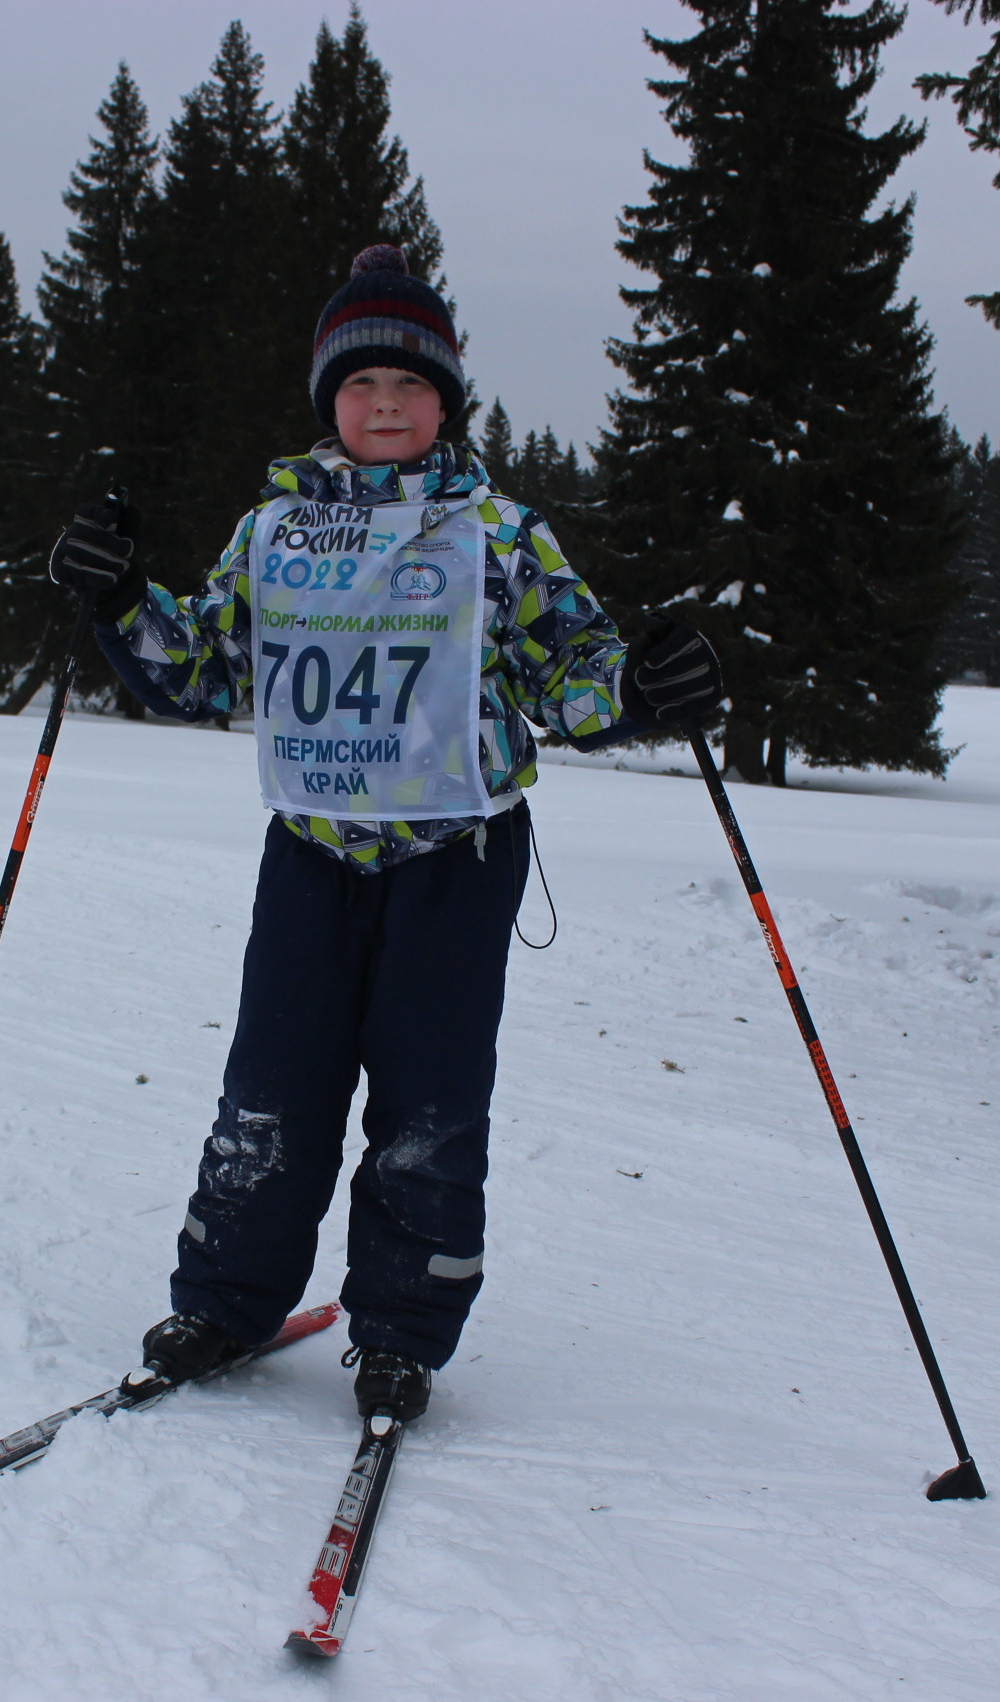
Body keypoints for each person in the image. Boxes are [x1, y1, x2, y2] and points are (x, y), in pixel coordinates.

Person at [48, 243, 722, 1424]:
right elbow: (204, 668)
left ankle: (404, 1329)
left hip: (449, 863)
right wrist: (116, 598)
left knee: (430, 1101)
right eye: (362, 385)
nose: (386, 404)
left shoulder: (498, 535)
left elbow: (574, 672)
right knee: (273, 1087)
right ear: (330, 402)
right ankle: (226, 1298)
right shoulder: (274, 533)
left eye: (410, 386)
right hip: (312, 855)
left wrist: (644, 689)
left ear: (446, 402)